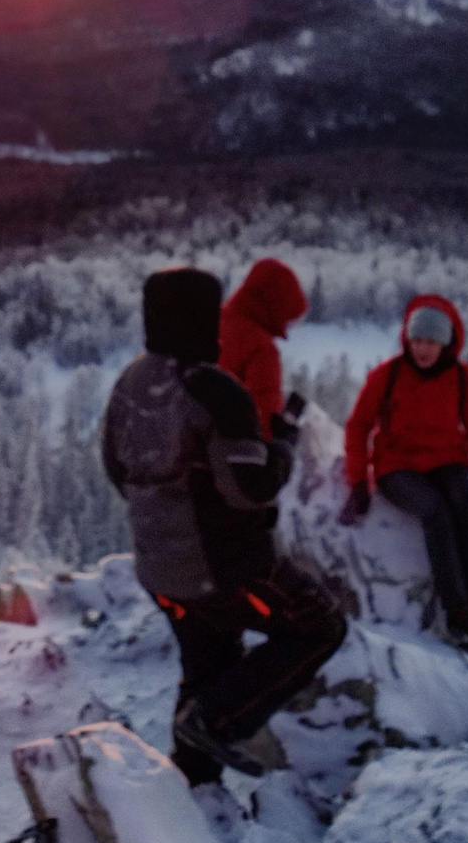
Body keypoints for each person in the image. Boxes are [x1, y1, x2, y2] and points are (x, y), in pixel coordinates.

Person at [102, 267, 347, 787]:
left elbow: (117, 469)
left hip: (158, 566)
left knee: (208, 667)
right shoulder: (216, 390)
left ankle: (194, 790)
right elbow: (251, 488)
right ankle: (216, 722)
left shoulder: (132, 380)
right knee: (321, 626)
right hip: (225, 565)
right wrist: (281, 445)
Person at [341, 294, 468, 655]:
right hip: (396, 466)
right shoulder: (386, 376)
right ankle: (456, 611)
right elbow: (357, 427)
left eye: (431, 342)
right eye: (417, 340)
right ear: (407, 339)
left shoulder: (462, 379)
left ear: (445, 343)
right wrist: (358, 482)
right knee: (436, 512)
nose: (422, 349)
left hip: (447, 460)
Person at [219, 257, 308, 433]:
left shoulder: (209, 322)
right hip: (234, 452)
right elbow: (263, 418)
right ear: (277, 309)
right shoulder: (262, 348)